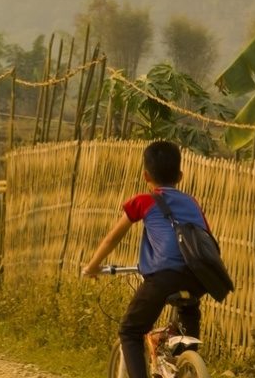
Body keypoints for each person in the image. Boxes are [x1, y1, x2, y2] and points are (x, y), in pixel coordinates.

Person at [79, 141, 212, 378]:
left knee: (130, 332)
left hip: (164, 277)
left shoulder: (143, 201)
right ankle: (187, 362)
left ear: (145, 175)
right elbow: (206, 237)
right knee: (189, 314)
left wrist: (92, 267)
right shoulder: (192, 203)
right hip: (199, 278)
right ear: (180, 176)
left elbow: (112, 238)